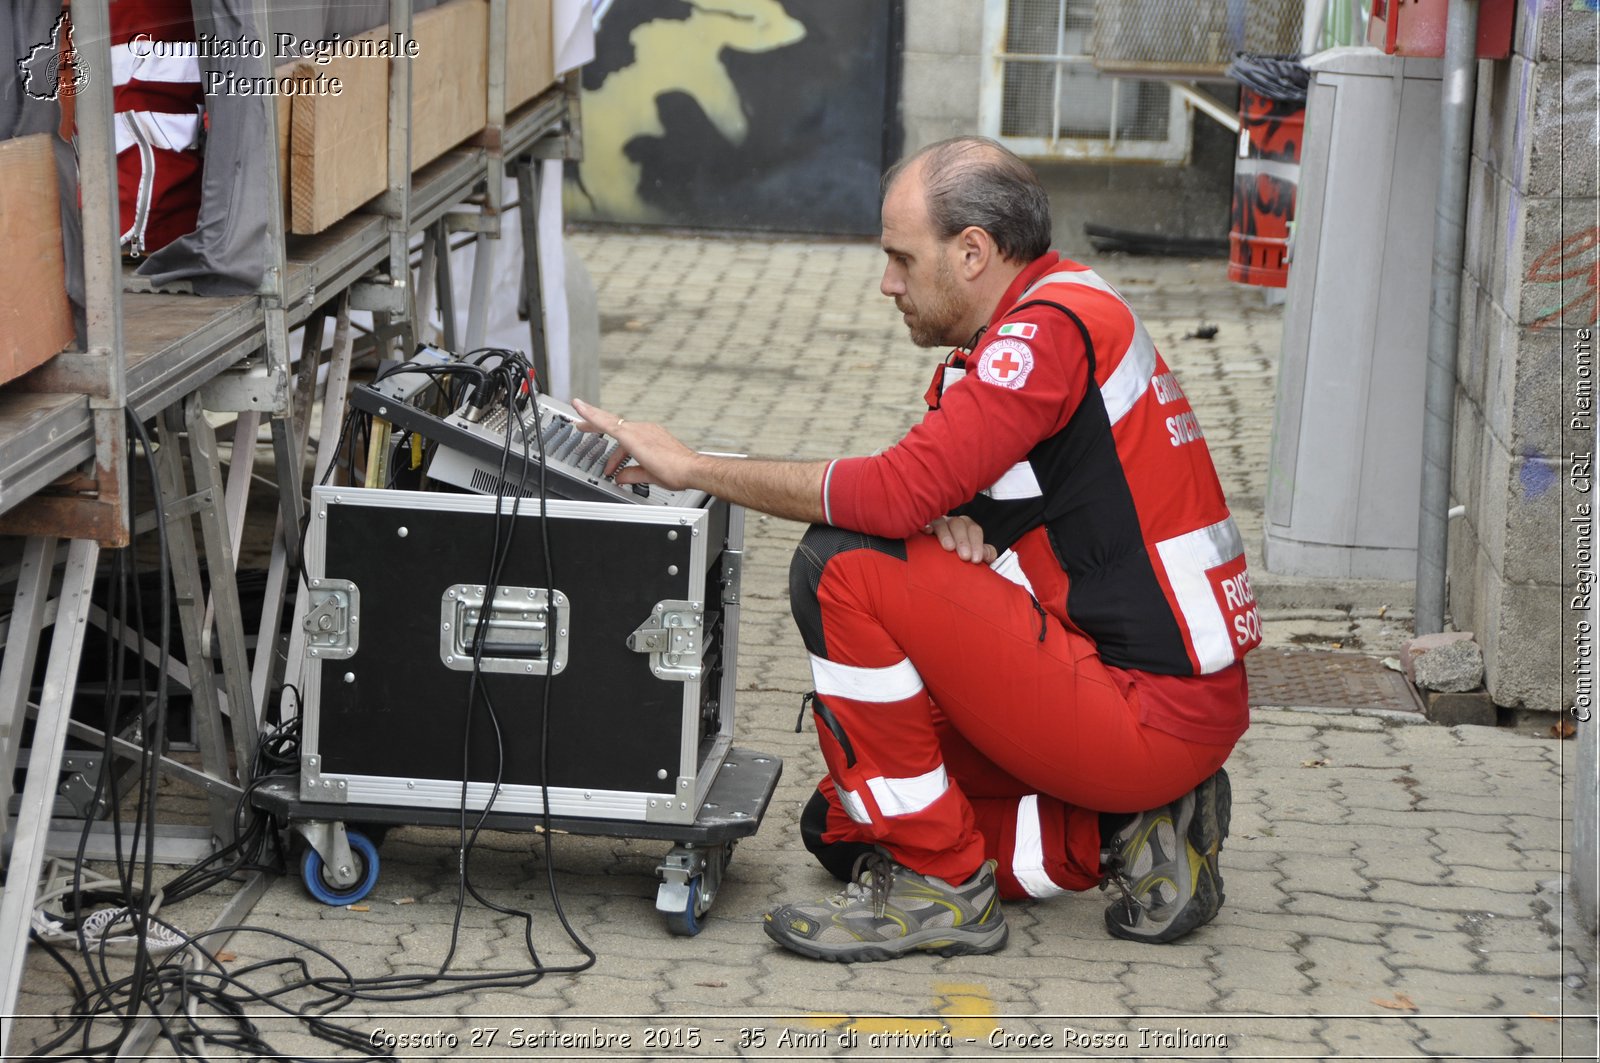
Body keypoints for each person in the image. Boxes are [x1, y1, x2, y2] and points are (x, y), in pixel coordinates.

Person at [572, 135, 1260, 964]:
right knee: (838, 823)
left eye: (902, 257)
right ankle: (1125, 832)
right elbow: (938, 491)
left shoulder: (1041, 337)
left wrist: (693, 467)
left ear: (973, 251)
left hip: (1147, 710)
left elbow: (895, 493)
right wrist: (944, 513)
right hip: (1137, 695)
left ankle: (943, 884)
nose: (888, 282)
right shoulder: (1060, 306)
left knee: (840, 564)